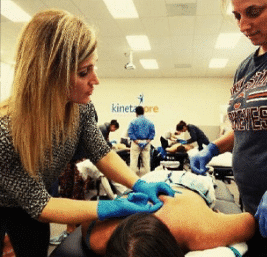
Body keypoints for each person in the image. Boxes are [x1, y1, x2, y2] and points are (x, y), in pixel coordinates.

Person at [0, 10, 174, 256]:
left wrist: (138, 183)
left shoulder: (79, 109)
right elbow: (42, 205)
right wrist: (108, 208)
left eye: (94, 68)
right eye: (84, 72)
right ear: (50, 76)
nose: (96, 80)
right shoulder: (7, 132)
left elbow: (101, 152)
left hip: (36, 192)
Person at [191, 0, 267, 256]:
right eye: (237, 15)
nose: (243, 26)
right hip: (252, 209)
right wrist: (213, 148)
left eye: (253, 12)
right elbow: (245, 126)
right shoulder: (246, 68)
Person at [81, 170, 256, 256]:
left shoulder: (200, 232)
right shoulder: (100, 239)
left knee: (205, 179)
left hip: (187, 184)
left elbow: (249, 222)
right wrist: (115, 206)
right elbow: (84, 221)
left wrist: (218, 220)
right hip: (146, 181)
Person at [128, 106, 155, 176]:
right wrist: (148, 141)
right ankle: (147, 177)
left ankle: (132, 178)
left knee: (133, 161)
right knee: (146, 161)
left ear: (136, 113)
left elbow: (130, 133)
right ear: (143, 112)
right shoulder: (150, 122)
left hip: (136, 143)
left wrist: (136, 141)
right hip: (146, 142)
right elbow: (153, 133)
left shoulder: (133, 122)